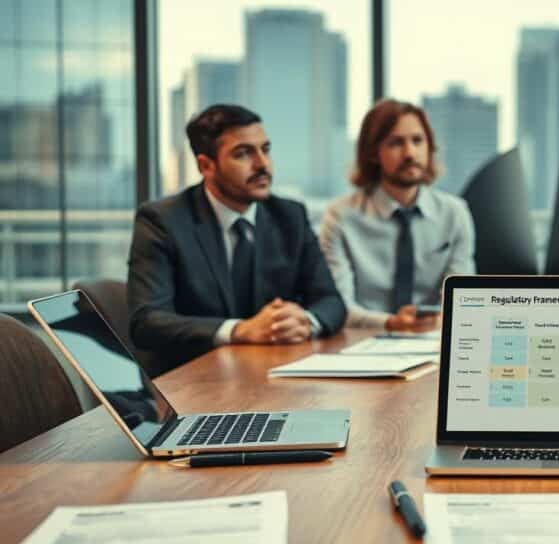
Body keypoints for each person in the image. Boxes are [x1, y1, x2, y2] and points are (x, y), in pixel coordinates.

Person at [127, 104, 346, 374]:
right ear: (206, 166)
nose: (262, 164)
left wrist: (305, 320)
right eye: (243, 154)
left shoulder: (290, 216)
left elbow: (332, 302)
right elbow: (148, 322)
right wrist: (240, 330)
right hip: (195, 381)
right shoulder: (163, 220)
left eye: (265, 150)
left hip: (275, 376)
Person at [319, 99, 475, 332]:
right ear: (373, 153)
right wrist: (390, 323)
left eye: (417, 141)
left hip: (432, 341)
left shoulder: (454, 213)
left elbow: (464, 303)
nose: (410, 153)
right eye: (396, 143)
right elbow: (337, 306)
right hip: (363, 341)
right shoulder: (340, 216)